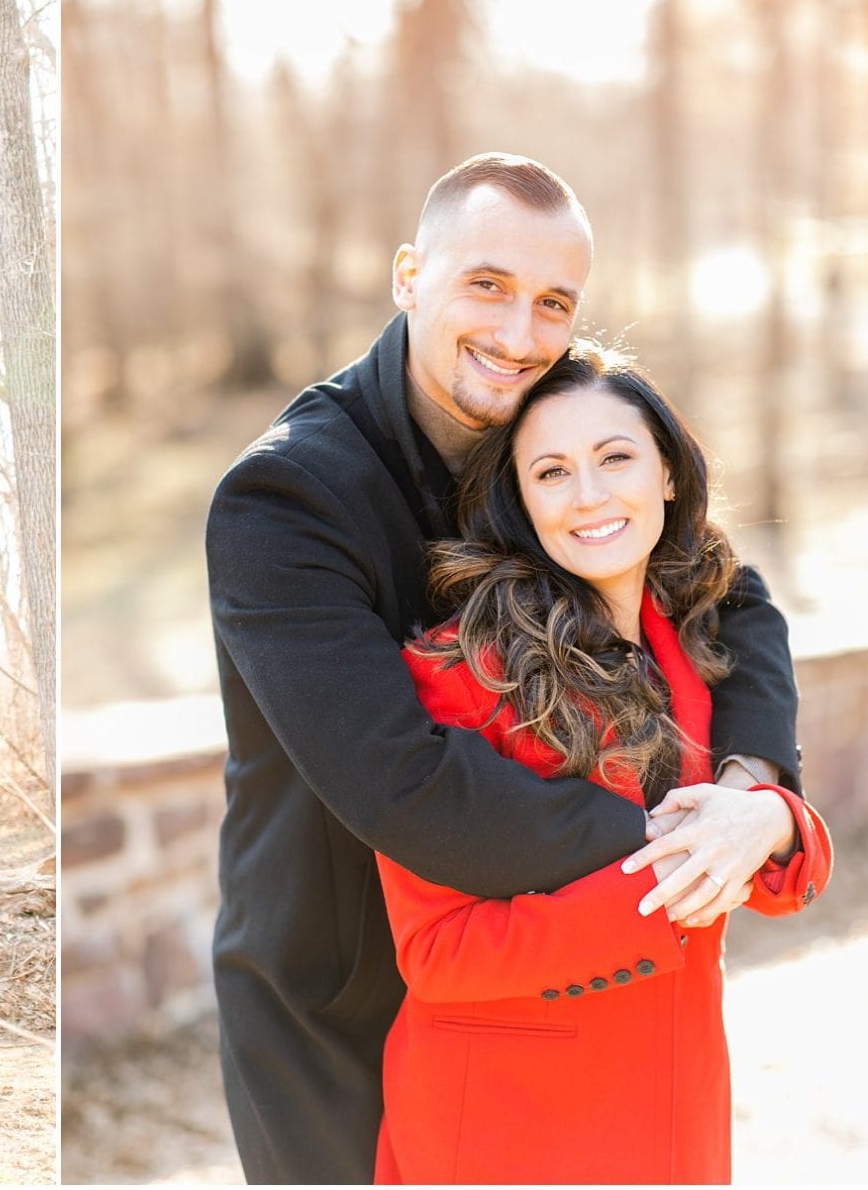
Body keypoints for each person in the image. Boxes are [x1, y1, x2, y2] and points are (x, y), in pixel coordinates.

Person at [205, 154, 804, 1184]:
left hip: (540, 970)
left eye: (553, 302)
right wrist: (674, 835)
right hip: (338, 992)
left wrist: (753, 788)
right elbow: (403, 780)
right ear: (409, 275)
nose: (519, 334)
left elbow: (729, 598)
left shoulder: (543, 437)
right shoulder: (284, 496)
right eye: (487, 285)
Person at [373, 344, 832, 1183]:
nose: (588, 495)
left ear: (666, 471)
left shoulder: (703, 635)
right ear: (521, 500)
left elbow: (778, 848)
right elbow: (435, 951)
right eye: (551, 472)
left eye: (615, 456)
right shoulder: (459, 673)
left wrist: (766, 816)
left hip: (678, 1099)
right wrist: (669, 888)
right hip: (505, 1124)